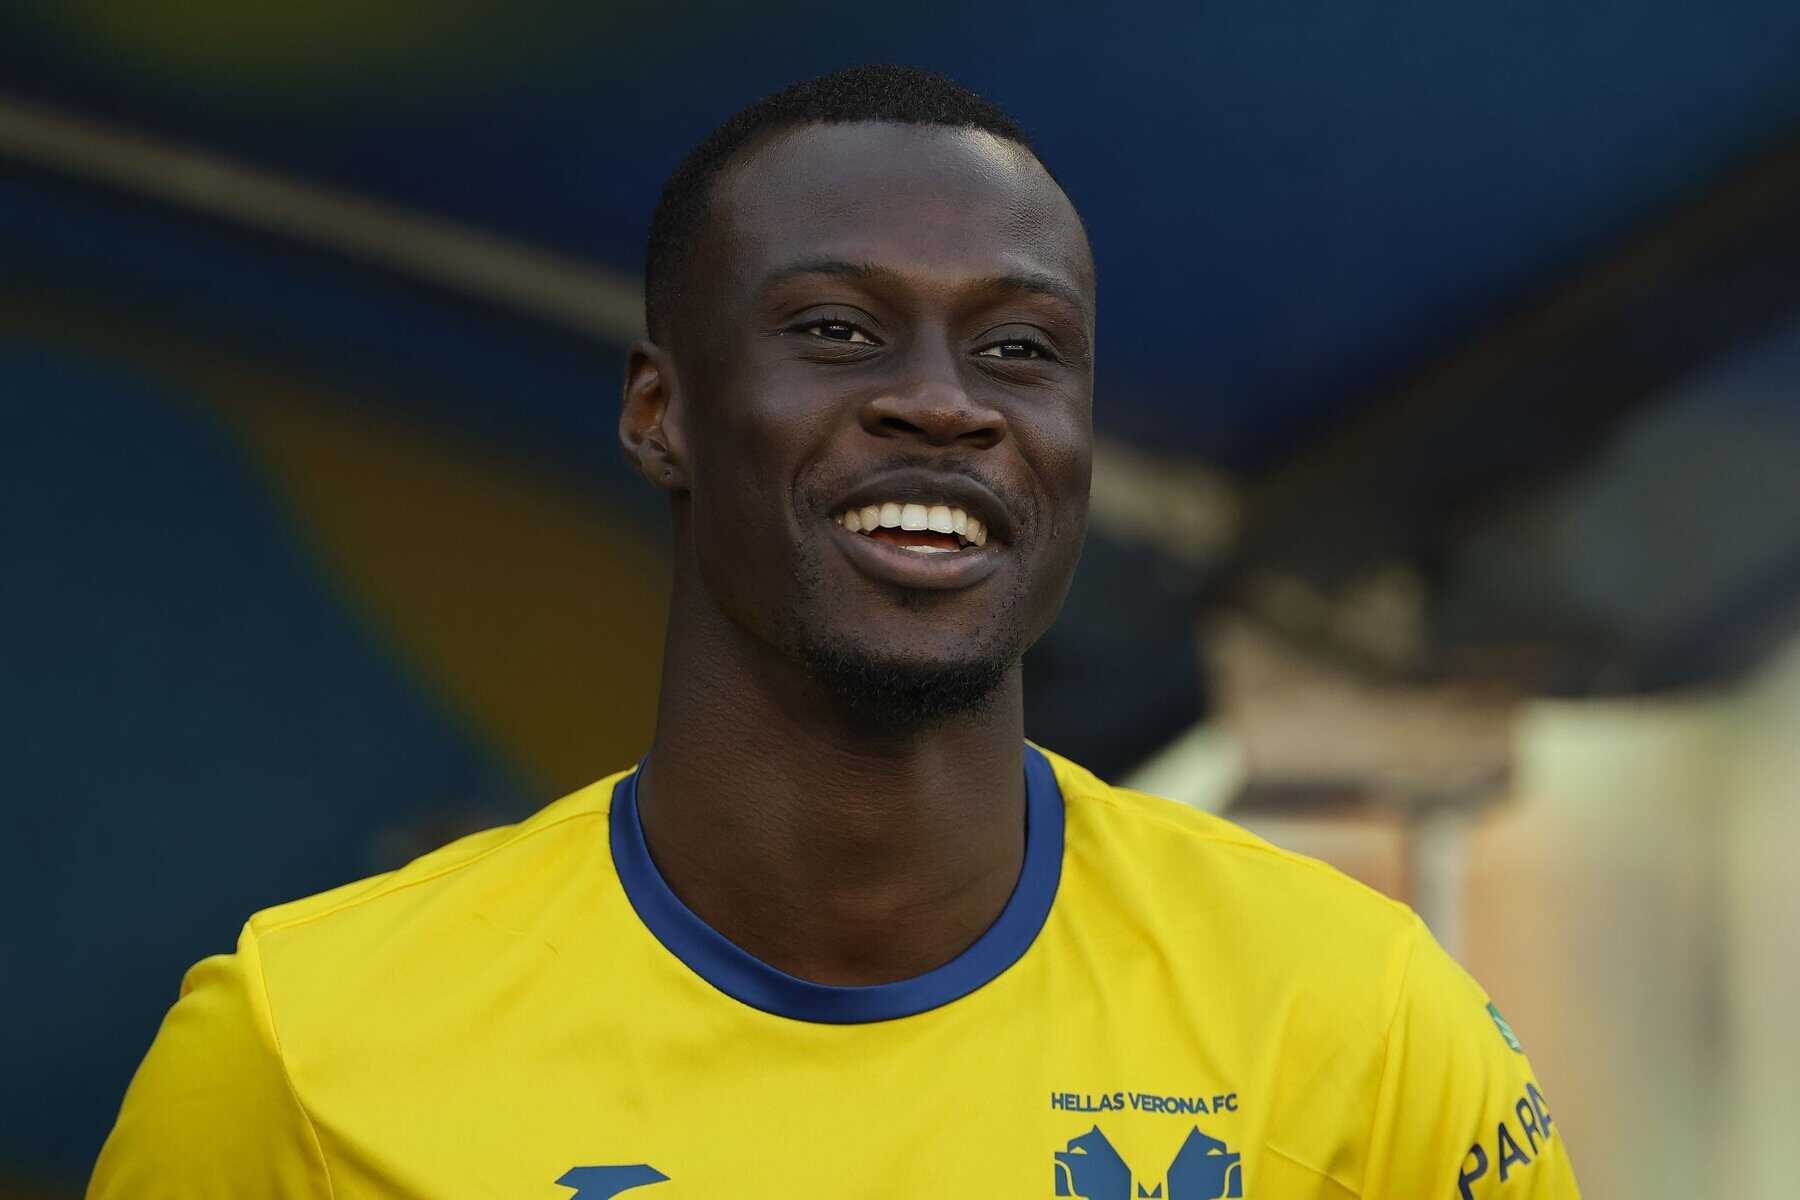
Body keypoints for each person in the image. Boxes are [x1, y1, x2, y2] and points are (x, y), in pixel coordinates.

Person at [90, 65, 1579, 1199]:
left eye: (1020, 348)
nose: (944, 400)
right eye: (834, 331)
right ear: (660, 413)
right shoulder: (300, 1050)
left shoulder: (1356, 1021)